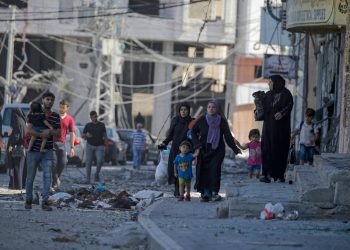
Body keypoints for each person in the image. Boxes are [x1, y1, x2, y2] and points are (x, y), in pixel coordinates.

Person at [191, 100, 241, 202]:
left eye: (213, 107)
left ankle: (214, 192)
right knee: (203, 171)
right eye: (209, 107)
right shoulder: (202, 119)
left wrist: (235, 149)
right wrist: (197, 145)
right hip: (203, 149)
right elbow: (193, 132)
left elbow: (228, 136)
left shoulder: (222, 121)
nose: (211, 109)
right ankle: (205, 193)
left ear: (217, 109)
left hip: (217, 150)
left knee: (214, 171)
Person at [25, 92, 61, 211]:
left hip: (48, 150)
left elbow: (58, 133)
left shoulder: (55, 116)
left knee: (47, 176)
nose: (49, 101)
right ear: (43, 100)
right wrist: (41, 134)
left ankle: (45, 201)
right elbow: (29, 130)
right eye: (47, 99)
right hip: (33, 150)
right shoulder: (33, 114)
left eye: (51, 100)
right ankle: (28, 199)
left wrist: (49, 132)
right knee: (30, 177)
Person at [260, 75, 294, 183]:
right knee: (267, 149)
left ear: (276, 82)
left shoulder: (286, 94)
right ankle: (267, 175)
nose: (268, 84)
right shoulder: (267, 95)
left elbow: (289, 105)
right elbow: (261, 110)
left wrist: (282, 113)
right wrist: (258, 102)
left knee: (280, 150)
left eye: (270, 82)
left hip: (281, 129)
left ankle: (279, 175)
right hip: (268, 129)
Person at [158, 102, 192, 197]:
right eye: (181, 110)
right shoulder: (175, 120)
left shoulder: (191, 121)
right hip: (175, 148)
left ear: (188, 111)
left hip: (186, 150)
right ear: (179, 111)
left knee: (184, 169)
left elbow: (194, 136)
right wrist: (164, 143)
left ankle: (183, 187)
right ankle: (177, 189)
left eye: (185, 110)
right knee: (175, 169)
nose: (183, 111)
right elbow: (170, 135)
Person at [52, 100, 75, 189]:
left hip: (62, 143)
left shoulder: (70, 119)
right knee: (53, 163)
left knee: (63, 162)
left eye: (63, 107)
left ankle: (56, 178)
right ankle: (54, 182)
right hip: (52, 143)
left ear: (67, 108)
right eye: (60, 107)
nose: (61, 109)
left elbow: (72, 133)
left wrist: (72, 148)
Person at [82, 111, 107, 183]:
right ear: (90, 118)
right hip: (90, 145)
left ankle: (96, 174)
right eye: (93, 117)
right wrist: (86, 135)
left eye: (96, 116)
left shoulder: (101, 125)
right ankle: (88, 179)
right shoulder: (88, 125)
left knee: (100, 161)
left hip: (100, 146)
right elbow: (83, 136)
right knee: (88, 162)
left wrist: (106, 145)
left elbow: (105, 135)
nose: (94, 118)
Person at [7, 108, 27, 190]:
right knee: (20, 169)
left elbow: (17, 135)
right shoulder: (23, 121)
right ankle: (19, 186)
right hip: (22, 148)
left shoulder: (16, 121)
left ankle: (17, 187)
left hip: (16, 148)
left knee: (17, 168)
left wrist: (11, 145)